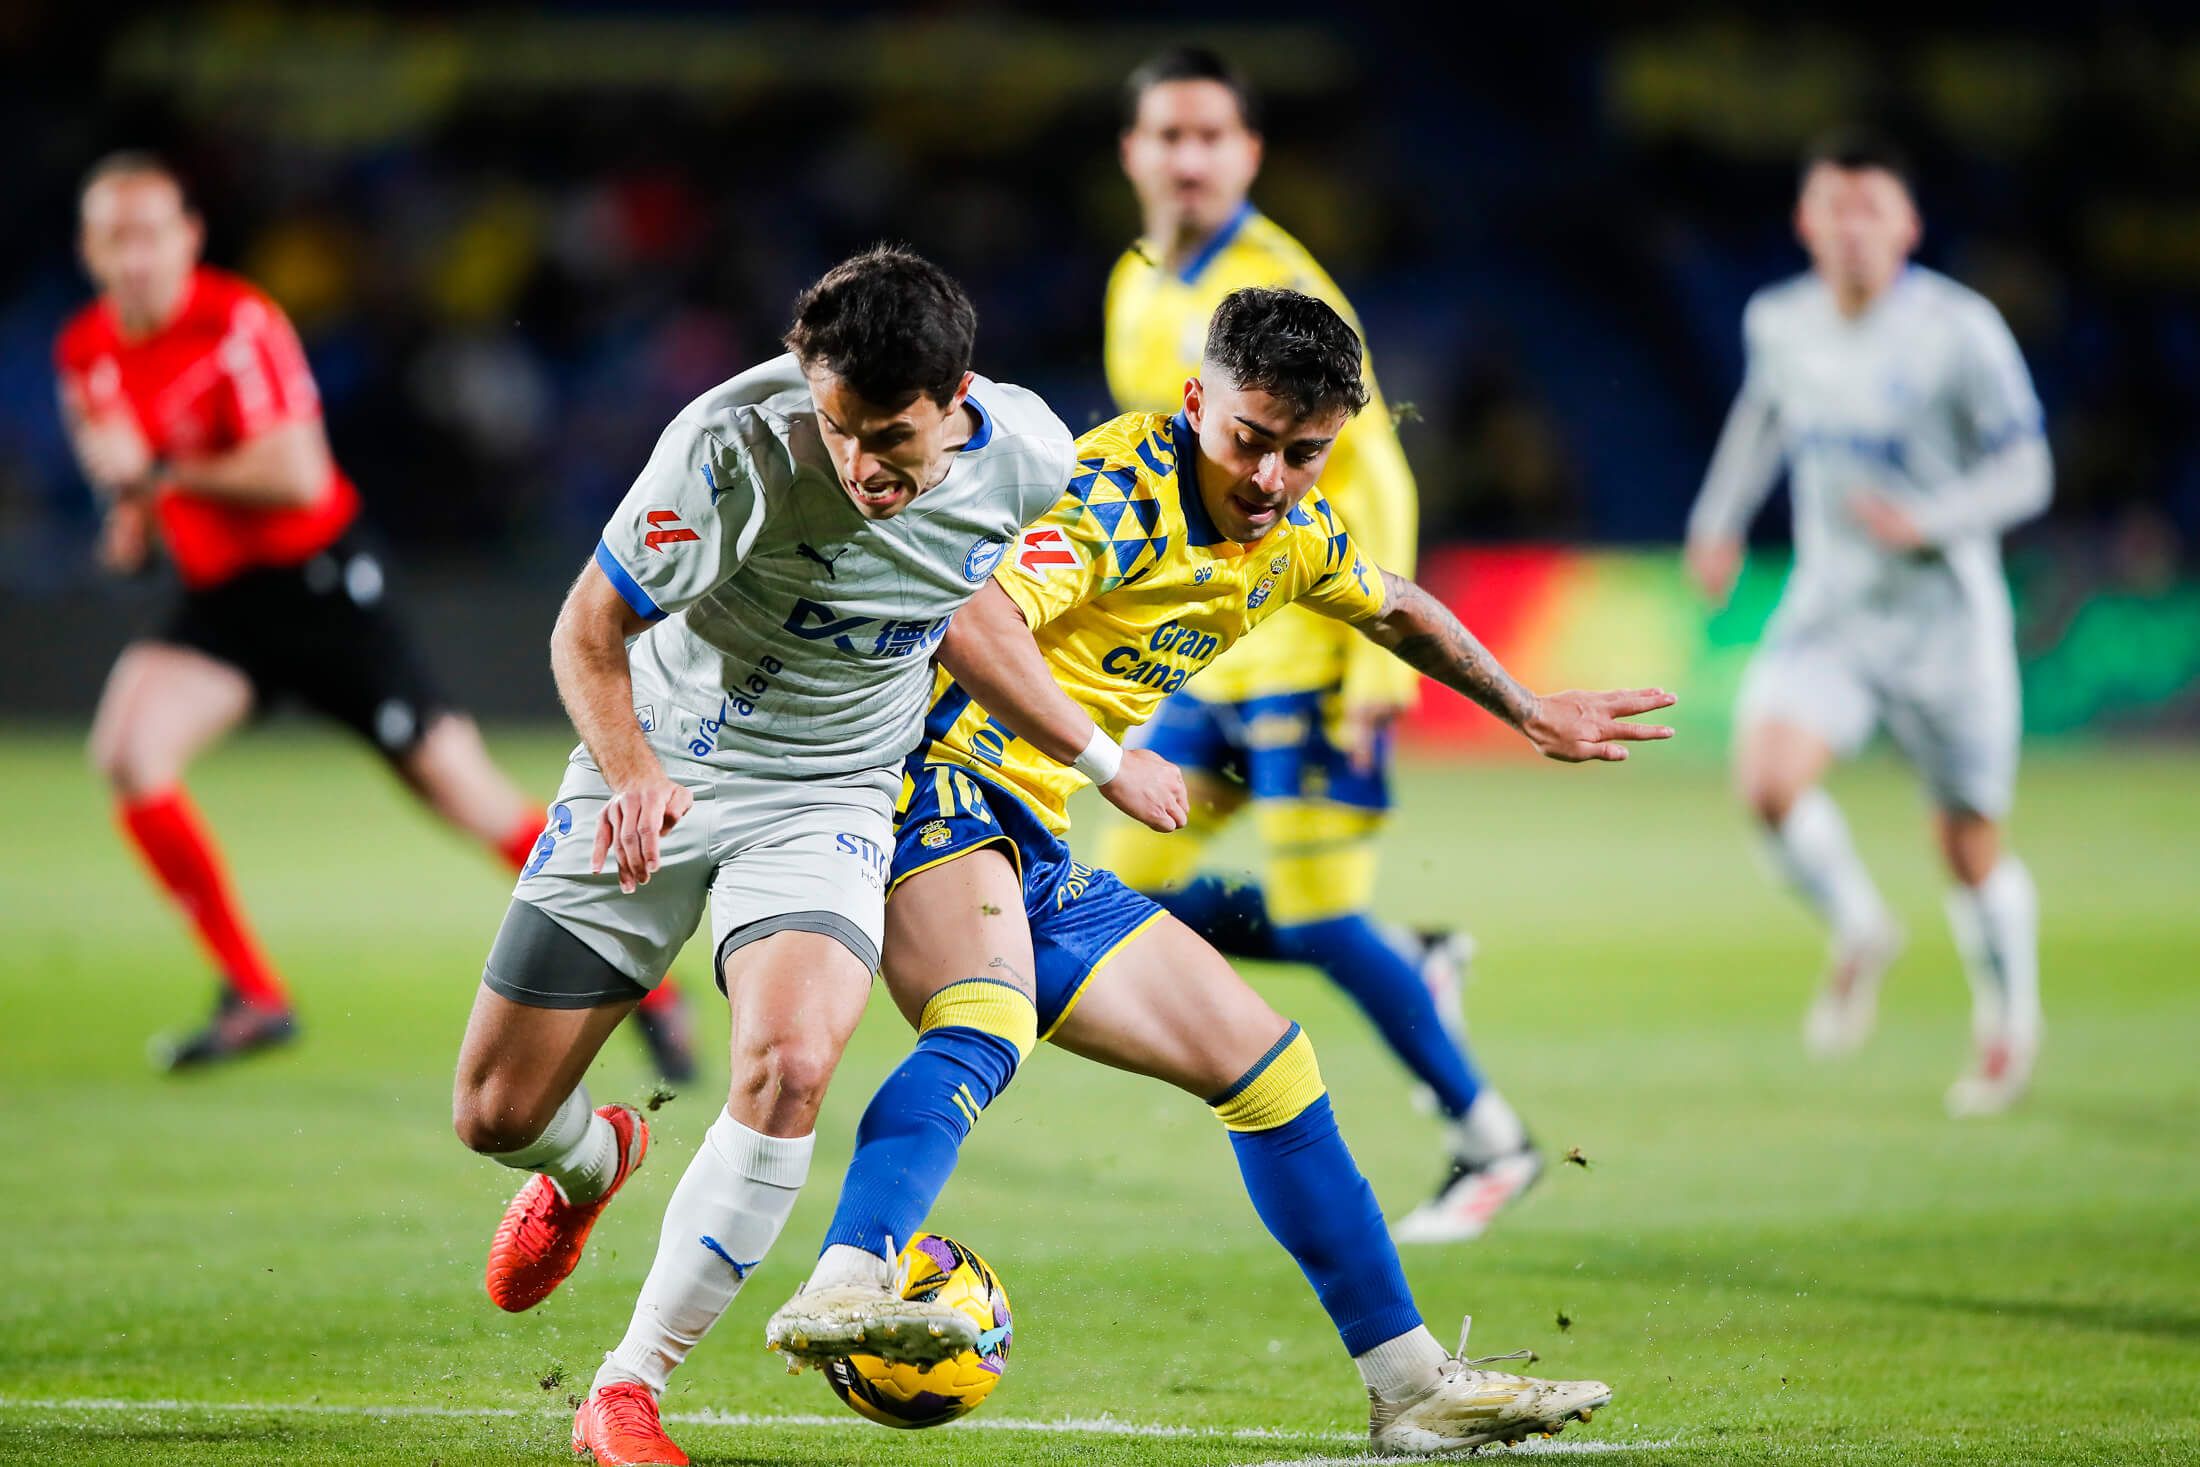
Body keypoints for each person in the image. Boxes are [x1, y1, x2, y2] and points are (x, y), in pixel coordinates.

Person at [756, 288, 1671, 1460]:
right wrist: (1107, 758)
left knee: (1272, 1070)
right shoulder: (1111, 494)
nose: (1272, 476)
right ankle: (844, 1283)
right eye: (1249, 439)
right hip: (922, 781)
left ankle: (1410, 1389)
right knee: (986, 1016)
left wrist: (1528, 706)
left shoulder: (1289, 534)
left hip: (1029, 832)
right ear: (1196, 404)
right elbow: (967, 618)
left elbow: (1392, 606)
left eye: (1305, 453)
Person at [449, 246, 1184, 1466]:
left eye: (886, 436)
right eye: (837, 427)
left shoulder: (1034, 456)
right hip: (658, 769)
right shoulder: (726, 448)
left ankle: (629, 1387)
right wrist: (633, 775)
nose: (857, 464)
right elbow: (587, 629)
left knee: (790, 1063)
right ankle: (592, 1162)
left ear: (957, 401)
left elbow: (959, 605)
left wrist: (1099, 759)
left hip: (831, 794)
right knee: (494, 1112)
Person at [53, 151, 695, 1078]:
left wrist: (153, 470)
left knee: (466, 795)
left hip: (321, 588)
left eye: (152, 233)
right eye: (116, 237)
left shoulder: (236, 322)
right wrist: (128, 517)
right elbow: (126, 486)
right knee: (128, 750)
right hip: (224, 603)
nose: (137, 255)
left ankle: (653, 989)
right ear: (91, 249)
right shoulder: (86, 348)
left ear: (188, 238)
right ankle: (254, 995)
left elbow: (297, 473)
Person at [1096, 47, 1535, 1239]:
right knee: (1099, 904)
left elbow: (1372, 466)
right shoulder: (1136, 281)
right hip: (1207, 656)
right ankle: (1406, 959)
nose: (1187, 157)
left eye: (1210, 137)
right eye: (1166, 135)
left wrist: (1378, 657)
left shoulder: (1280, 288)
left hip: (1312, 652)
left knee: (1318, 914)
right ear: (1133, 151)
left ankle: (1490, 1141)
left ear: (1248, 153)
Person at [1684, 129, 2052, 1116]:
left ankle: (2007, 1026)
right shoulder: (1779, 321)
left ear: (1906, 226)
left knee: (1966, 843)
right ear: (1805, 222)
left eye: (1870, 211)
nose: (1851, 230)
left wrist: (1925, 520)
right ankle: (1858, 928)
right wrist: (1717, 521)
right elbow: (1763, 415)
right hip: (1833, 606)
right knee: (1765, 783)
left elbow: (2028, 469)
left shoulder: (1960, 329)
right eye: (1833, 210)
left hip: (1943, 621)